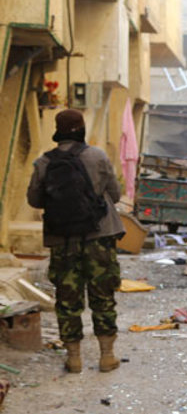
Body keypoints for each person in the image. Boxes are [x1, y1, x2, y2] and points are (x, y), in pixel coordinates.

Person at [26, 109, 125, 373]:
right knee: (103, 295)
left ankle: (74, 358)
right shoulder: (98, 156)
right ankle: (106, 356)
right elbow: (115, 195)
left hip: (62, 240)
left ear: (57, 131)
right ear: (82, 128)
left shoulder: (44, 162)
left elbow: (34, 200)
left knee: (67, 298)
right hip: (99, 236)